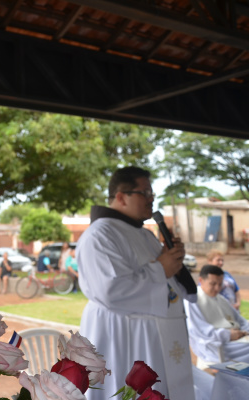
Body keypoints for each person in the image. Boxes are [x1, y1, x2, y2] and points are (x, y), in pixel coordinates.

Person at [77, 166, 197, 400]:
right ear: (121, 196)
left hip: (155, 336)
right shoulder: (100, 235)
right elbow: (110, 290)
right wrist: (162, 267)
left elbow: (166, 279)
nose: (152, 199)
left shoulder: (144, 234)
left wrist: (173, 261)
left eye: (152, 194)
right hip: (124, 336)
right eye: (146, 193)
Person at [185, 264, 249, 368]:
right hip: (219, 345)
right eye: (213, 284)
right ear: (201, 280)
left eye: (220, 284)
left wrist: (245, 331)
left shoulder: (221, 299)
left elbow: (241, 321)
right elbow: (199, 331)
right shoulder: (193, 301)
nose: (217, 288)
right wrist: (228, 335)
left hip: (238, 339)